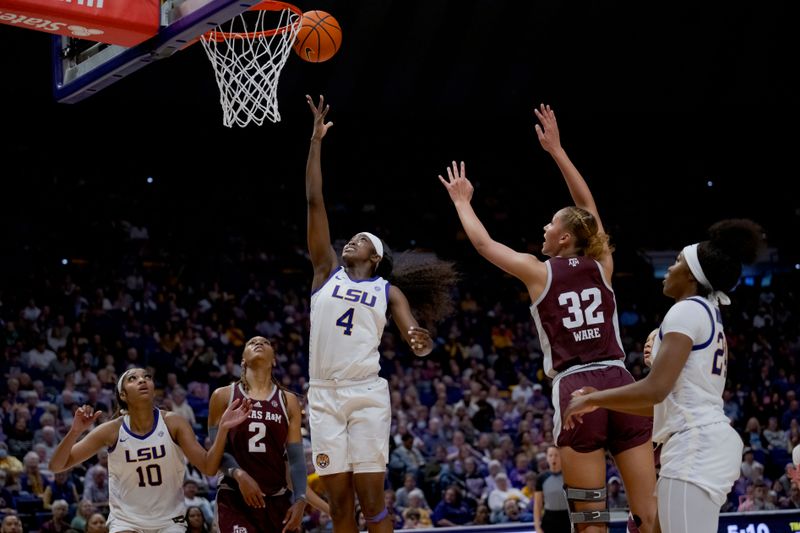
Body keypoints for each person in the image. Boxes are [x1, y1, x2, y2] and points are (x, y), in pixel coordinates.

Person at [438, 104, 657, 532]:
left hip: (579, 390)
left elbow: (483, 245)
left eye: (550, 224)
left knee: (591, 521)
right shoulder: (604, 264)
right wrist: (557, 151)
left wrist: (463, 202)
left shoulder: (539, 272)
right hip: (624, 384)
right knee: (648, 515)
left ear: (564, 237)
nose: (544, 227)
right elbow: (588, 206)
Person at [304, 94, 458, 532]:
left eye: (361, 240)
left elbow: (414, 334)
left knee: (371, 497)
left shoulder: (388, 291)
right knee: (337, 504)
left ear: (375, 257)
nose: (351, 241)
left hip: (367, 393)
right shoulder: (325, 272)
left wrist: (421, 341)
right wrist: (315, 143)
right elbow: (315, 204)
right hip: (322, 395)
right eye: (350, 238)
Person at [564, 219, 764, 532]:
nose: (670, 269)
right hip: (698, 441)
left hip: (695, 444)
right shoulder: (706, 312)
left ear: (692, 276)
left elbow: (655, 390)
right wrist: (601, 403)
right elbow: (661, 403)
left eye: (677, 262)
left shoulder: (687, 310)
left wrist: (592, 398)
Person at [48, 367, 250, 533]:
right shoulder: (112, 430)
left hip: (170, 522)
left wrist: (223, 429)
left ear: (154, 389)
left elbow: (208, 468)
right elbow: (57, 466)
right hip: (127, 522)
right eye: (133, 379)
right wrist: (75, 432)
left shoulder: (173, 423)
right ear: (123, 395)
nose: (142, 380)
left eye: (147, 377)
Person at [207, 336, 308, 533]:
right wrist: (239, 474)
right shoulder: (223, 396)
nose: (258, 343)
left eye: (266, 342)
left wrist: (301, 500)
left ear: (274, 360)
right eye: (251, 343)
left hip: (276, 498)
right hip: (234, 496)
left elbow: (296, 459)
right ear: (243, 360)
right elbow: (217, 452)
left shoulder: (288, 400)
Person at [534, 445, 570, 533]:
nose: (553, 458)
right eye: (550, 455)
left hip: (567, 519)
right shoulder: (541, 478)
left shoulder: (570, 476)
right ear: (547, 458)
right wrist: (537, 527)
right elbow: (537, 505)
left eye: (556, 455)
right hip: (549, 520)